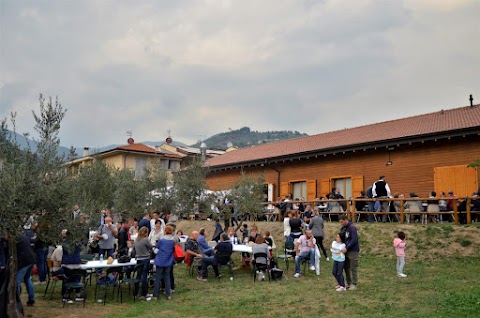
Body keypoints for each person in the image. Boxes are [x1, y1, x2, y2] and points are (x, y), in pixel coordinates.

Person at [153, 225, 175, 300]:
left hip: (160, 260)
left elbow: (156, 250)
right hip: (168, 261)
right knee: (167, 277)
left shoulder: (162, 240)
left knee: (158, 278)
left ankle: (155, 295)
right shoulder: (172, 241)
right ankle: (168, 294)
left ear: (165, 231)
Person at [339, 215, 360, 290]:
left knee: (353, 267)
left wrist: (347, 248)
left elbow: (354, 240)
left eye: (342, 222)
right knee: (346, 267)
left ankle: (354, 283)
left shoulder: (352, 228)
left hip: (353, 250)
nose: (341, 224)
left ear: (345, 220)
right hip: (345, 250)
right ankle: (348, 282)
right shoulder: (343, 228)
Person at [133, 226, 152, 300]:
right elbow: (151, 247)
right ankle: (144, 293)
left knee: (138, 276)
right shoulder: (145, 240)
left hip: (138, 259)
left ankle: (135, 292)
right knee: (144, 276)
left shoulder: (136, 240)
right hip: (145, 259)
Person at [16, 233, 36, 306]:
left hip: (24, 261)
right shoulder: (23, 236)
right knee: (27, 279)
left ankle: (16, 300)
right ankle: (31, 299)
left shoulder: (15, 238)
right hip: (31, 259)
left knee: (17, 281)